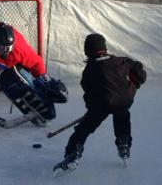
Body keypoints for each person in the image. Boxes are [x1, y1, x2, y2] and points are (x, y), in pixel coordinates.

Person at [55, 33, 147, 171]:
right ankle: (124, 143)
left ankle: (73, 154)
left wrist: (91, 109)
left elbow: (88, 92)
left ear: (87, 50)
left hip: (102, 105)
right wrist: (135, 84)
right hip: (124, 99)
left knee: (83, 129)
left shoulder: (89, 70)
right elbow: (139, 70)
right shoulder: (121, 61)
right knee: (122, 115)